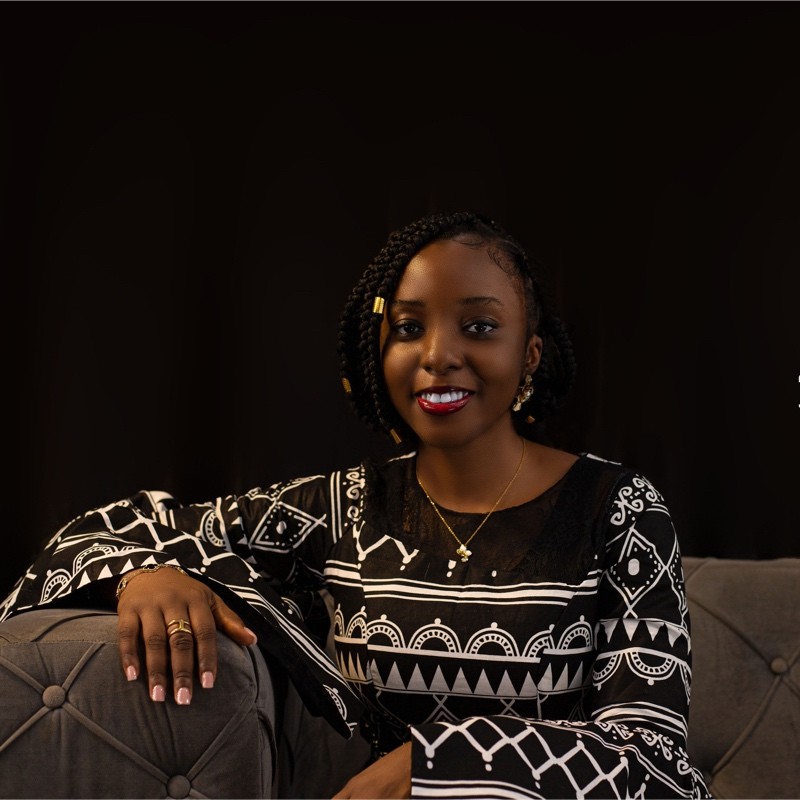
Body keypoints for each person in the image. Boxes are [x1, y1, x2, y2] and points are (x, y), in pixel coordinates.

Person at [0, 211, 711, 798]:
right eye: (408, 327)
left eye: (479, 327)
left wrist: (436, 763)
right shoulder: (343, 509)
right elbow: (104, 532)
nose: (437, 355)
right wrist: (149, 572)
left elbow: (653, 761)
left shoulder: (618, 508)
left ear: (530, 354)